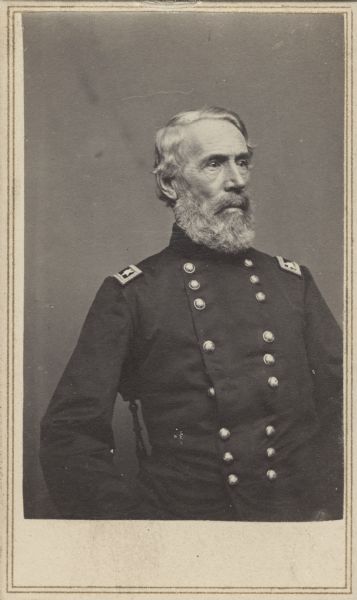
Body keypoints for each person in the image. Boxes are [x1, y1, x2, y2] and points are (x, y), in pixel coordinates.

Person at [40, 106, 343, 521]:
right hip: (188, 537)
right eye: (214, 164)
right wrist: (137, 536)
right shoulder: (133, 294)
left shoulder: (292, 283)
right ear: (170, 183)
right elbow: (70, 435)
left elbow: (344, 406)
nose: (236, 181)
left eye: (242, 162)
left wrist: (333, 510)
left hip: (301, 527)